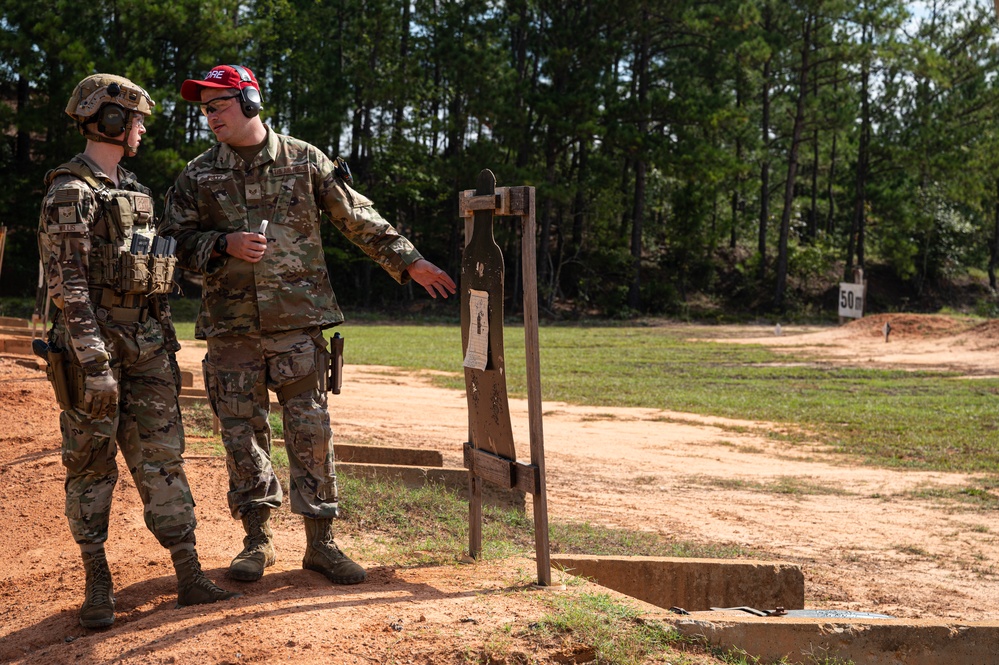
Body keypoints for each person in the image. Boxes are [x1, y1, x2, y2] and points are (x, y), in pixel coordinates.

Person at [159, 64, 456, 586]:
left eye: (218, 105)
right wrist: (221, 244)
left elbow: (356, 216)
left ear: (250, 102)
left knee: (311, 432)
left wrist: (408, 261)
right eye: (204, 108)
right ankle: (257, 541)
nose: (209, 117)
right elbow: (170, 244)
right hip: (231, 331)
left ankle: (322, 544)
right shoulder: (197, 174)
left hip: (297, 325)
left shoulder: (304, 160)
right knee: (240, 437)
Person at [36, 74, 239, 628]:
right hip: (93, 350)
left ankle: (189, 572)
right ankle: (97, 584)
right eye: (136, 119)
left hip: (148, 347)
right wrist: (94, 363)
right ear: (108, 120)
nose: (142, 129)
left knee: (163, 457)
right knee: (92, 463)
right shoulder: (69, 192)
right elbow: (68, 285)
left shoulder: (136, 191)